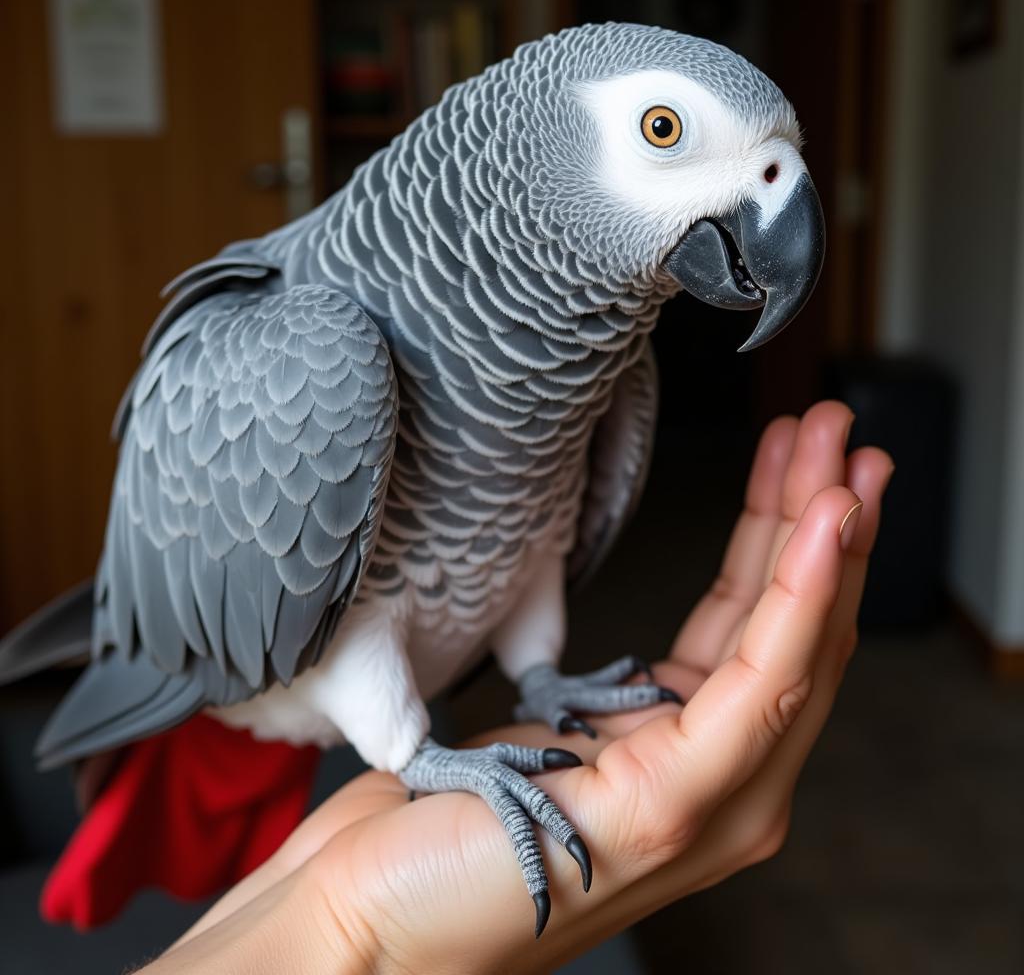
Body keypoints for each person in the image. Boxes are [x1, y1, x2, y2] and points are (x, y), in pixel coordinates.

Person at [140, 401, 893, 974]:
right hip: (293, 664)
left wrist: (539, 676)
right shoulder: (327, 353)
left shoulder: (607, 370)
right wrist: (355, 923)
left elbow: (521, 547)